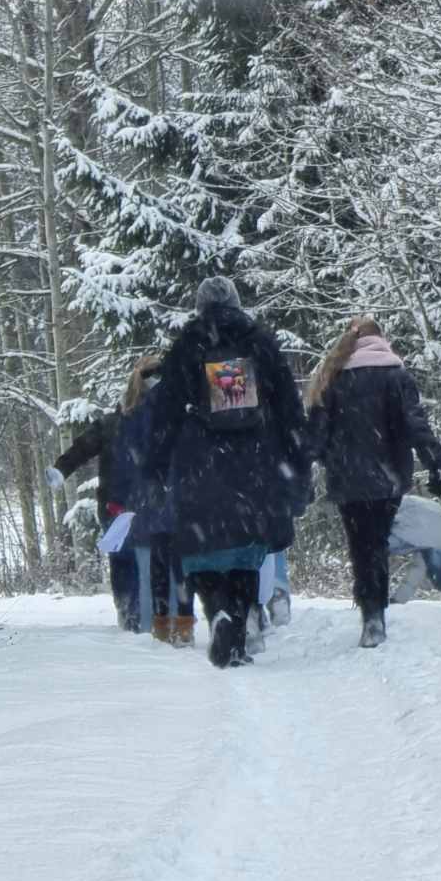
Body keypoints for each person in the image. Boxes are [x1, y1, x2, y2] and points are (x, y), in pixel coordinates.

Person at [149, 277, 308, 668]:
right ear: (237, 303)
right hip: (253, 464)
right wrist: (297, 461)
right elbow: (289, 410)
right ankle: (236, 626)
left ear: (199, 306)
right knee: (245, 550)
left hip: (199, 466)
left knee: (203, 552)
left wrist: (156, 467)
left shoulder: (187, 347)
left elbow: (164, 415)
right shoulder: (260, 344)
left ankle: (217, 610)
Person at [305, 317, 441, 648]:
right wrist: (435, 462)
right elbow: (415, 423)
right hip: (388, 476)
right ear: (382, 339)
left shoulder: (334, 377)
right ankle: (376, 611)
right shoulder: (396, 375)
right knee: (378, 542)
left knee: (361, 545)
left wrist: (307, 465)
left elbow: (316, 434)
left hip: (347, 478)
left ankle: (371, 613)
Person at [112, 355, 198, 647]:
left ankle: (161, 624)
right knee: (182, 566)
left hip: (148, 497)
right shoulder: (180, 403)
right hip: (179, 492)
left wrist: (122, 497)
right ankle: (184, 624)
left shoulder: (132, 409)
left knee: (156, 566)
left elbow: (125, 459)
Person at [48, 398, 135, 631]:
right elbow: (82, 448)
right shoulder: (115, 425)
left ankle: (132, 614)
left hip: (119, 507)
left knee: (125, 563)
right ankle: (136, 615)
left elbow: (81, 448)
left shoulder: (111, 424)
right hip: (125, 508)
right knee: (133, 561)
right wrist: (61, 469)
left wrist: (61, 469)